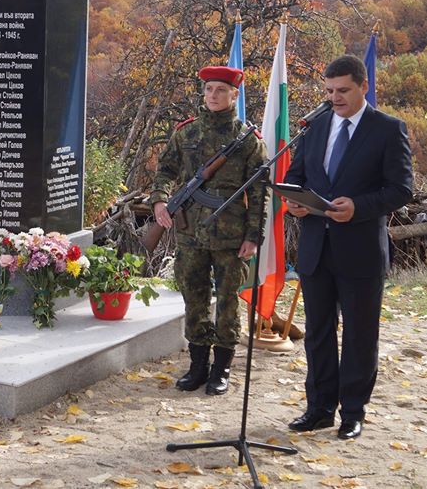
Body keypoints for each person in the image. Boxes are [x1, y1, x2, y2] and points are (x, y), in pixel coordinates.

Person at [284, 54, 413, 440]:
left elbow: (401, 189)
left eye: (343, 90)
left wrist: (358, 208)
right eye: (329, 91)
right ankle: (319, 408)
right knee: (318, 333)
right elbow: (295, 174)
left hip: (360, 251)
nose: (335, 98)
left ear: (363, 87)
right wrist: (294, 202)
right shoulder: (315, 126)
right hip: (315, 249)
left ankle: (352, 413)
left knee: (359, 334)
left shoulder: (388, 129)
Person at [150, 66, 267, 396]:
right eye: (209, 89)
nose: (213, 95)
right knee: (194, 297)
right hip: (191, 233)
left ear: (234, 95)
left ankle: (222, 367)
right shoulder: (186, 133)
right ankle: (198, 364)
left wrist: (253, 236)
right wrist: (160, 202)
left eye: (220, 90)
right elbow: (165, 171)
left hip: (231, 235)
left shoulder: (247, 141)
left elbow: (260, 192)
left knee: (228, 301)